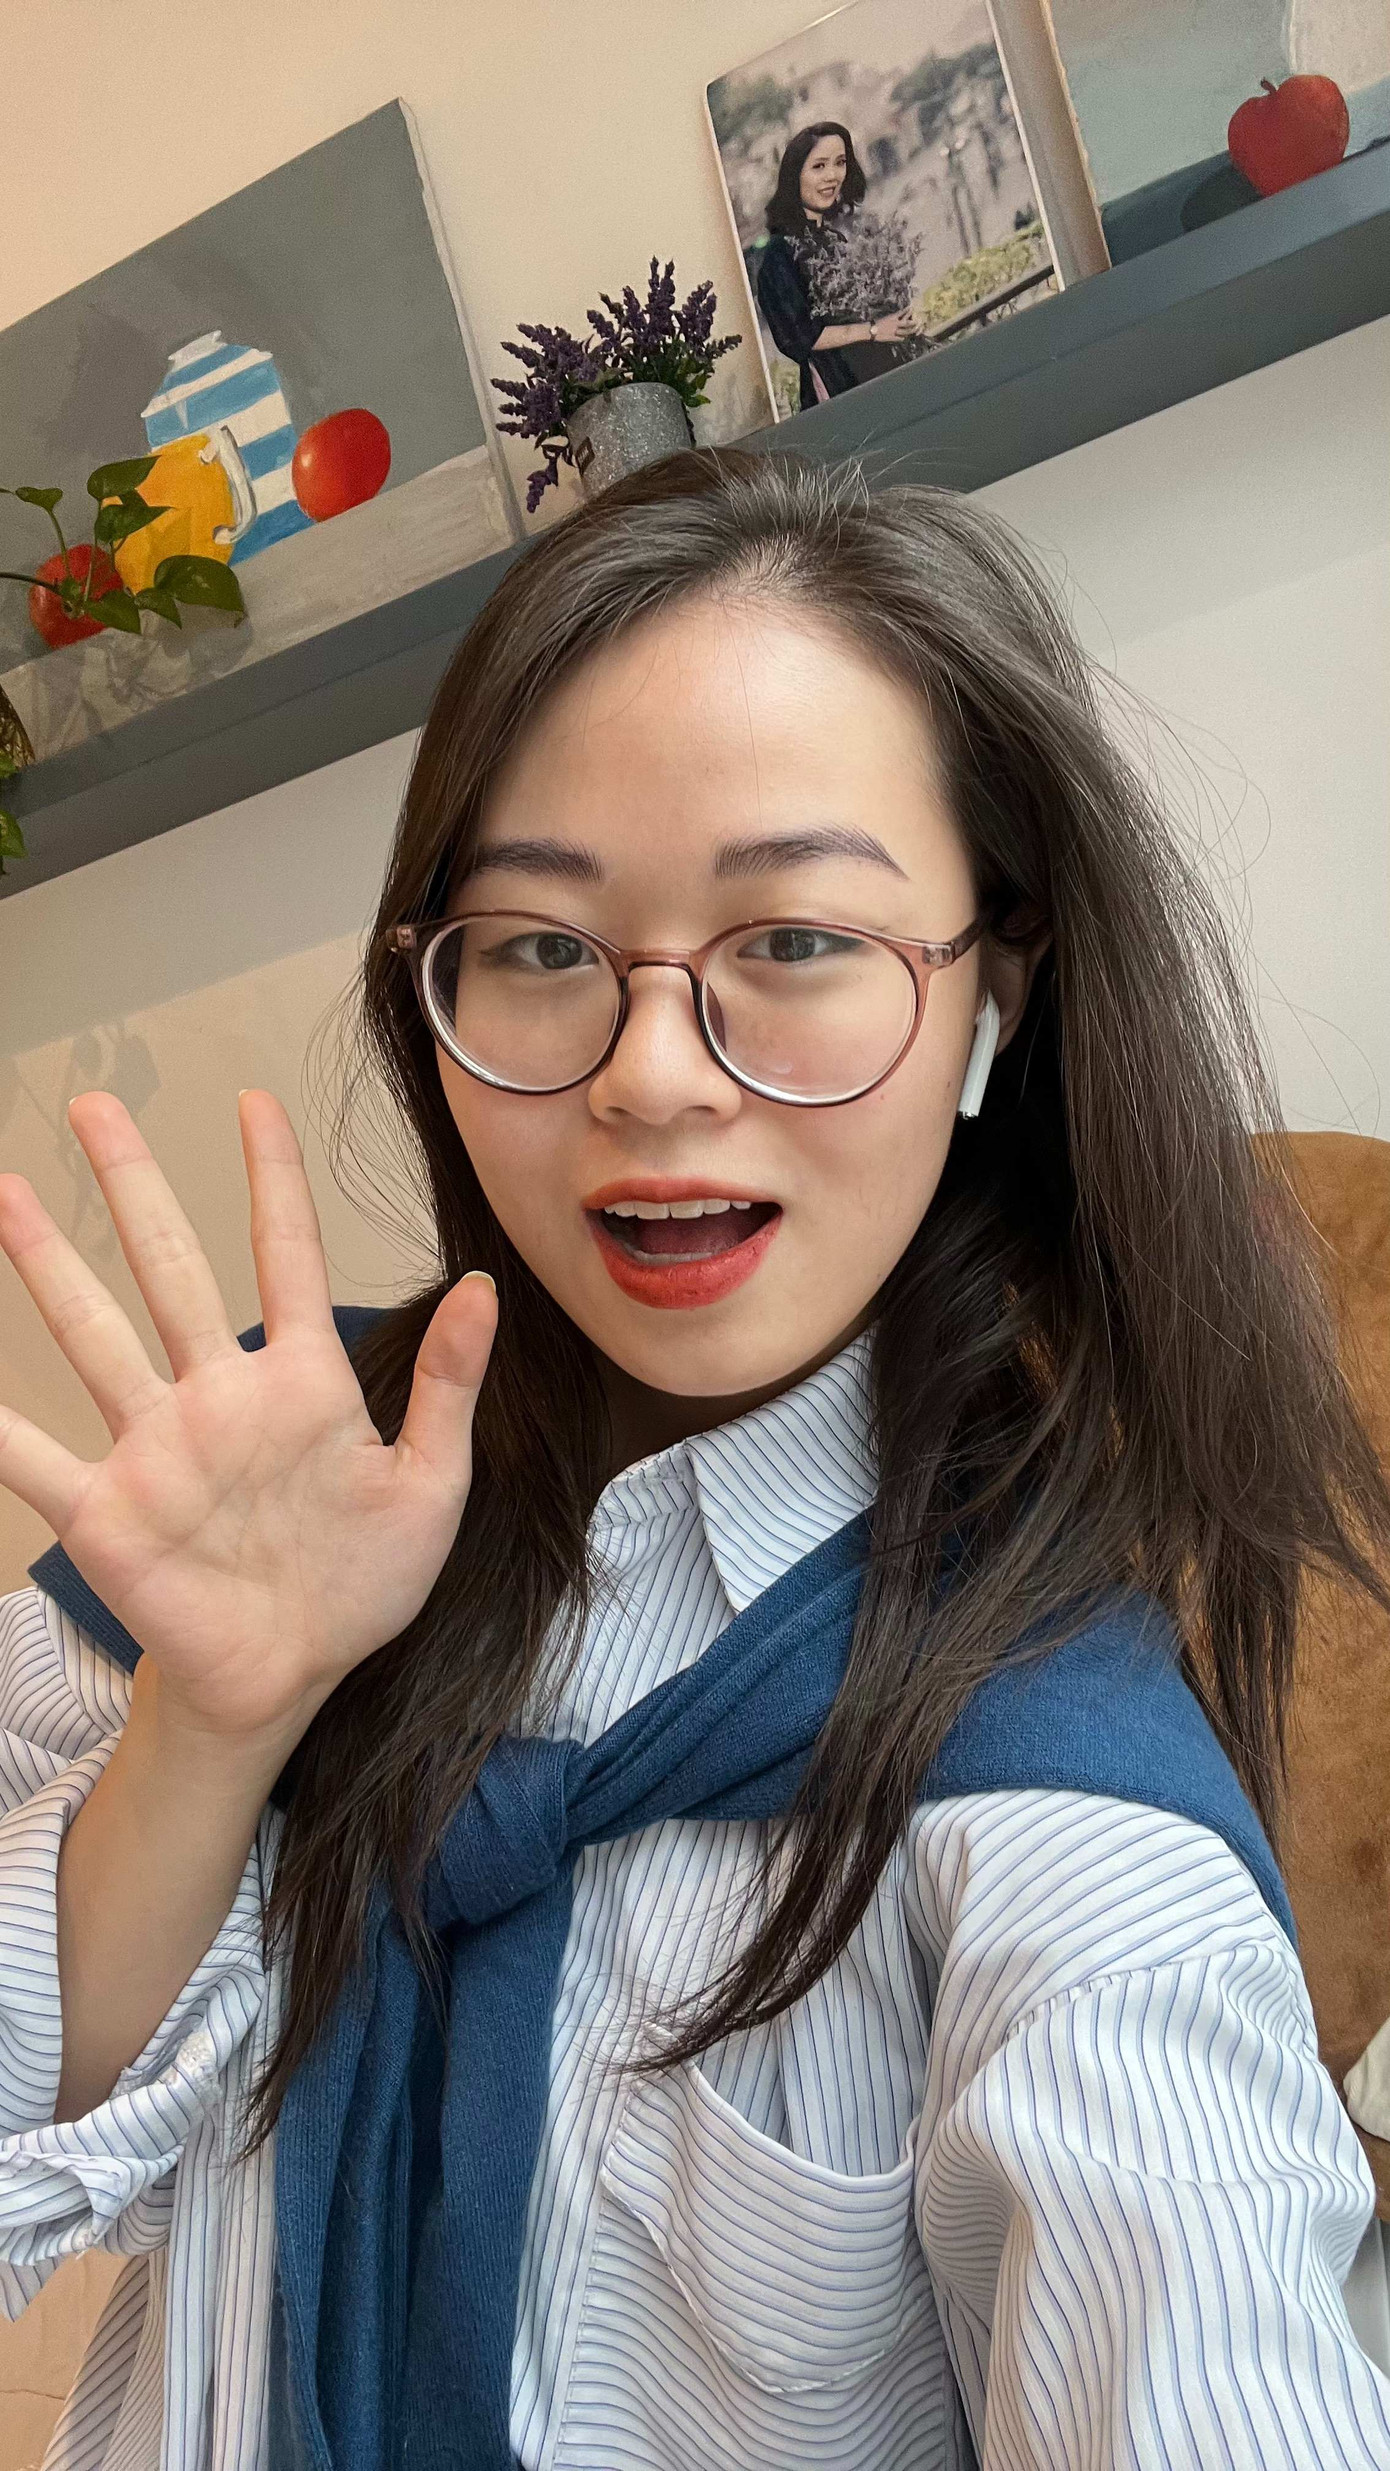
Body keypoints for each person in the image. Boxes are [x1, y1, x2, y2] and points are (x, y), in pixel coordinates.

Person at [0, 449, 1389, 2471]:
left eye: (795, 938)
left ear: (993, 992)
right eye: (540, 945)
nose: (651, 1073)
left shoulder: (1057, 1798)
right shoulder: (263, 1491)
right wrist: (205, 1744)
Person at [756, 122, 918, 409]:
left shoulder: (833, 238)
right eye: (819, 166)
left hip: (877, 375)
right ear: (795, 176)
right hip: (838, 389)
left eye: (840, 163)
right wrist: (874, 330)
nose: (832, 175)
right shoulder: (779, 255)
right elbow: (801, 338)